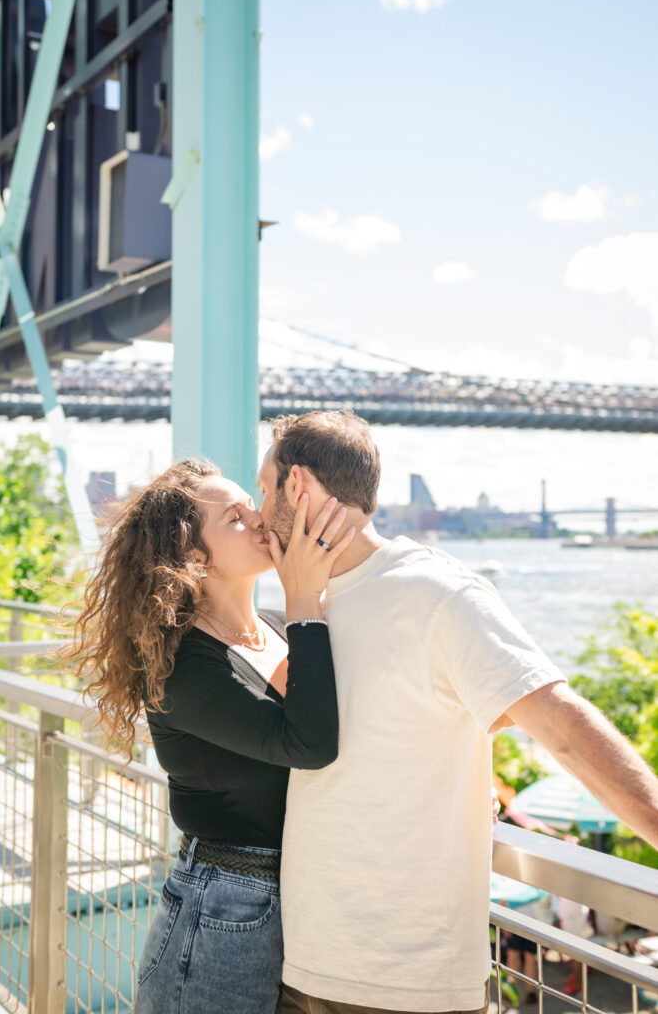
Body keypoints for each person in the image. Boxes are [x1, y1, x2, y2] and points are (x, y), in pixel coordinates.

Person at [257, 409, 658, 1014]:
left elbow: (561, 725)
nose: (258, 512)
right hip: (305, 965)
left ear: (297, 486)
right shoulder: (305, 603)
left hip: (411, 983)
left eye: (263, 488)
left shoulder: (437, 594)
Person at [65, 458, 355, 1014]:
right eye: (235, 518)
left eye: (253, 502)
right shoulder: (183, 667)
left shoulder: (276, 627)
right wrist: (305, 600)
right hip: (224, 912)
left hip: (303, 897)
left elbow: (349, 723)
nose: (261, 516)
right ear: (194, 556)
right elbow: (311, 744)